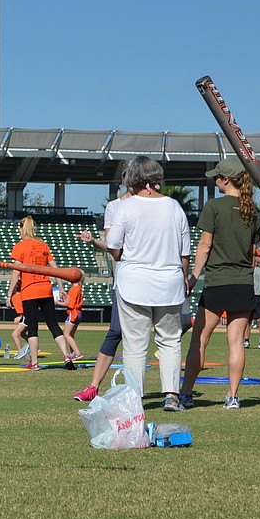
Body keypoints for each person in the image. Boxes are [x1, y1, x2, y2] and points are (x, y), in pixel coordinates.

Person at [105, 156, 190, 411]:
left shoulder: (126, 207)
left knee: (134, 344)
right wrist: (184, 278)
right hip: (169, 282)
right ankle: (172, 396)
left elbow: (113, 246)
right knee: (170, 341)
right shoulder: (174, 206)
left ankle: (135, 398)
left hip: (134, 283)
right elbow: (184, 251)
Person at [180, 157, 260, 410]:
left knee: (200, 339)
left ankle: (186, 394)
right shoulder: (251, 209)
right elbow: (252, 253)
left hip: (217, 282)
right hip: (243, 283)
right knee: (235, 341)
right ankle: (233, 397)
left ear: (226, 180)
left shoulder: (214, 206)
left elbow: (204, 246)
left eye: (217, 177)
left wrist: (193, 277)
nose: (215, 180)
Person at [72, 188, 133, 402]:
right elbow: (112, 246)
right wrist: (93, 241)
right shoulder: (115, 207)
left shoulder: (160, 204)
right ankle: (93, 387)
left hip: (155, 280)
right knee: (115, 331)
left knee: (172, 330)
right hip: (127, 280)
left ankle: (170, 394)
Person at [7, 215, 75, 371]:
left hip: (29, 290)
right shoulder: (43, 245)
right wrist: (62, 288)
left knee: (32, 327)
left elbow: (16, 273)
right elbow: (55, 269)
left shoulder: (20, 246)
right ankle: (66, 355)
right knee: (53, 325)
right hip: (45, 289)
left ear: (22, 228)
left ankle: (35, 362)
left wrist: (9, 294)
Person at [243, 249, 260, 350]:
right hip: (250, 296)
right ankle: (246, 341)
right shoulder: (248, 269)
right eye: (259, 256)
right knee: (248, 321)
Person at [56, 276, 84, 360]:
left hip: (73, 313)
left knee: (66, 334)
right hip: (78, 312)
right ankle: (73, 353)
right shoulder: (79, 288)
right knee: (71, 334)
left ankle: (77, 353)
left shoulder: (74, 289)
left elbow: (69, 305)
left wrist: (57, 302)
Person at [8, 282, 29, 360]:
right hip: (30, 316)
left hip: (25, 316)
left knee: (14, 334)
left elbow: (21, 310)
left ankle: (21, 352)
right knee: (23, 334)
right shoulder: (23, 294)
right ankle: (34, 347)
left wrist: (19, 316)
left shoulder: (15, 297)